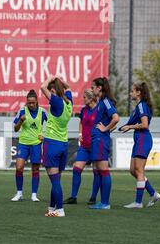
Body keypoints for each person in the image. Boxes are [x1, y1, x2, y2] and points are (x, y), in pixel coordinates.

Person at [119, 82, 160, 208]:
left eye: (132, 91)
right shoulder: (138, 107)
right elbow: (128, 124)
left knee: (139, 170)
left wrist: (130, 126)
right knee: (133, 170)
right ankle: (153, 193)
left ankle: (138, 202)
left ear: (138, 93)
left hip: (143, 139)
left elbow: (145, 125)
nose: (130, 93)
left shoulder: (142, 106)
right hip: (139, 140)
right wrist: (116, 128)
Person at [41, 75, 73, 217]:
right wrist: (61, 81)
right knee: (56, 179)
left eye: (51, 91)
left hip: (52, 143)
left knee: (54, 180)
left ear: (54, 91)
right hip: (63, 144)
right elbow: (69, 88)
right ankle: (52, 208)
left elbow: (42, 87)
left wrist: (51, 78)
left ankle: (60, 210)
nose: (50, 94)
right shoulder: (68, 102)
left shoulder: (57, 101)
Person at [63, 89, 101, 205]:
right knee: (76, 169)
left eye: (84, 97)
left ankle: (93, 197)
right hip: (84, 147)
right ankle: (73, 197)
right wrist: (79, 134)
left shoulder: (100, 109)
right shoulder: (84, 110)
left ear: (90, 98)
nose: (83, 99)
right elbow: (81, 123)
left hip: (95, 146)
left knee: (96, 172)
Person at [89, 77, 120, 210]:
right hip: (98, 139)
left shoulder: (106, 101)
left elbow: (116, 118)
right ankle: (102, 202)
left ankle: (105, 203)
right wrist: (107, 129)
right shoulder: (102, 101)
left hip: (101, 140)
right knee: (100, 171)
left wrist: (105, 129)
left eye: (93, 87)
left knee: (104, 170)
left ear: (99, 88)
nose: (92, 89)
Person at [11, 89, 47, 202]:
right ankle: (19, 193)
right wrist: (20, 121)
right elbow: (15, 129)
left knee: (35, 169)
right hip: (23, 143)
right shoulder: (22, 111)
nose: (31, 104)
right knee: (19, 167)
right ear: (26, 102)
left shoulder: (42, 112)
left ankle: (34, 195)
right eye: (29, 102)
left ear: (37, 102)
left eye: (33, 102)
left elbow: (51, 125)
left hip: (36, 144)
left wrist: (44, 135)